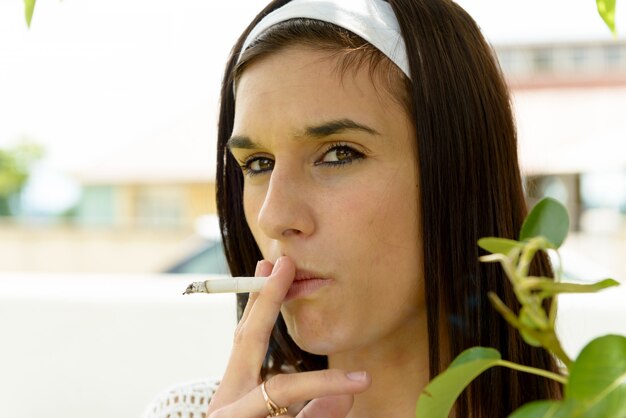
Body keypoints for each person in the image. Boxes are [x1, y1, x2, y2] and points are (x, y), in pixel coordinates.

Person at [142, 0, 562, 417]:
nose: (274, 217)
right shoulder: (188, 411)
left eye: (339, 154)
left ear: (459, 171)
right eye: (258, 164)